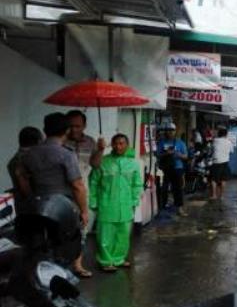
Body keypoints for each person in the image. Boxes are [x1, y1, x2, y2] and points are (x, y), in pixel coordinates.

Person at [16, 113, 91, 277]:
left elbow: (20, 174)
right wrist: (84, 211)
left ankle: (43, 276)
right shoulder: (66, 154)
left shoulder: (30, 153)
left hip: (37, 206)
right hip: (63, 208)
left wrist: (31, 196)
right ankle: (60, 277)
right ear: (67, 131)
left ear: (45, 130)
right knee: (66, 246)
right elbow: (77, 185)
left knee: (42, 245)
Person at [90, 134, 142, 272]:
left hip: (126, 204)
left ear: (127, 144)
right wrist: (93, 201)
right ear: (111, 145)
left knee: (123, 234)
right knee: (105, 234)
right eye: (116, 143)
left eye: (122, 143)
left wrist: (135, 200)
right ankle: (106, 260)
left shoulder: (133, 163)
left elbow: (137, 184)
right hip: (106, 203)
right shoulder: (103, 162)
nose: (119, 146)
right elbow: (93, 182)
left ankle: (118, 259)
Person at [64, 110, 104, 234]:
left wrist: (100, 150)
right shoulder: (61, 142)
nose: (74, 129)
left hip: (82, 190)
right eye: (71, 126)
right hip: (63, 190)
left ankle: (80, 250)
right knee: (64, 226)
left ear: (84, 126)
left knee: (83, 225)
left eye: (78, 126)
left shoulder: (90, 141)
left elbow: (95, 165)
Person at [7, 127, 43, 210]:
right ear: (38, 141)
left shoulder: (13, 160)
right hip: (32, 204)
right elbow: (25, 187)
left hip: (20, 204)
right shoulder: (29, 159)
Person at [157, 123, 188, 216]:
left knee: (177, 189)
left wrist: (179, 155)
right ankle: (162, 207)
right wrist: (166, 153)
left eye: (172, 130)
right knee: (164, 188)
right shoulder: (161, 142)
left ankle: (179, 208)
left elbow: (186, 156)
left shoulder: (180, 143)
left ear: (175, 131)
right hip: (165, 169)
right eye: (168, 130)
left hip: (177, 168)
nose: (170, 132)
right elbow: (158, 154)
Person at [209, 127, 232, 200]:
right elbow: (231, 151)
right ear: (226, 134)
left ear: (219, 133)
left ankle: (214, 195)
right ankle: (222, 196)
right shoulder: (229, 142)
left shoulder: (215, 141)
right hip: (225, 162)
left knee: (213, 179)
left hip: (216, 162)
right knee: (223, 179)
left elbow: (211, 149)